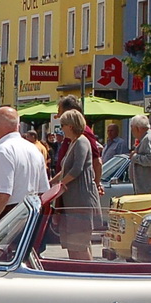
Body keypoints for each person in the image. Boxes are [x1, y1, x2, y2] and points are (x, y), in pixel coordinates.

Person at [0, 105, 50, 232]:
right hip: (29, 215)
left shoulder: (4, 150)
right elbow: (43, 191)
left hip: (7, 217)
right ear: (17, 126)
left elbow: (3, 194)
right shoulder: (33, 149)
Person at [51, 109, 101, 259]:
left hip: (81, 200)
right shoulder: (73, 142)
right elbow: (66, 168)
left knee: (80, 244)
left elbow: (77, 168)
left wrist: (60, 185)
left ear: (70, 126)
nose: (61, 129)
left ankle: (88, 275)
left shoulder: (81, 141)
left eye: (62, 125)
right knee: (71, 244)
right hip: (71, 201)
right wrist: (51, 182)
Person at [128, 114, 151, 195]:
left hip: (148, 190)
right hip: (146, 189)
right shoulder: (149, 137)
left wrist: (135, 157)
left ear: (138, 128)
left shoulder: (149, 139)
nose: (132, 131)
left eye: (132, 128)